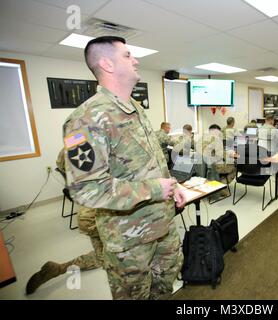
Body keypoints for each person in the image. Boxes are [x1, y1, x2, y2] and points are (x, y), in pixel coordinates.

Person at [63, 36, 185, 300]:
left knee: (164, 286)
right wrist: (155, 189)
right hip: (129, 238)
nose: (136, 60)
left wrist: (173, 187)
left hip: (161, 224)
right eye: (128, 55)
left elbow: (152, 160)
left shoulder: (135, 108)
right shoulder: (84, 120)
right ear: (107, 64)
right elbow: (86, 189)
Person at [25, 149, 103, 295]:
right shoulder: (107, 143)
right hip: (100, 212)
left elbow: (61, 167)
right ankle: (60, 268)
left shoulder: (70, 144)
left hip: (84, 206)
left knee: (102, 254)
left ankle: (57, 269)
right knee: (106, 257)